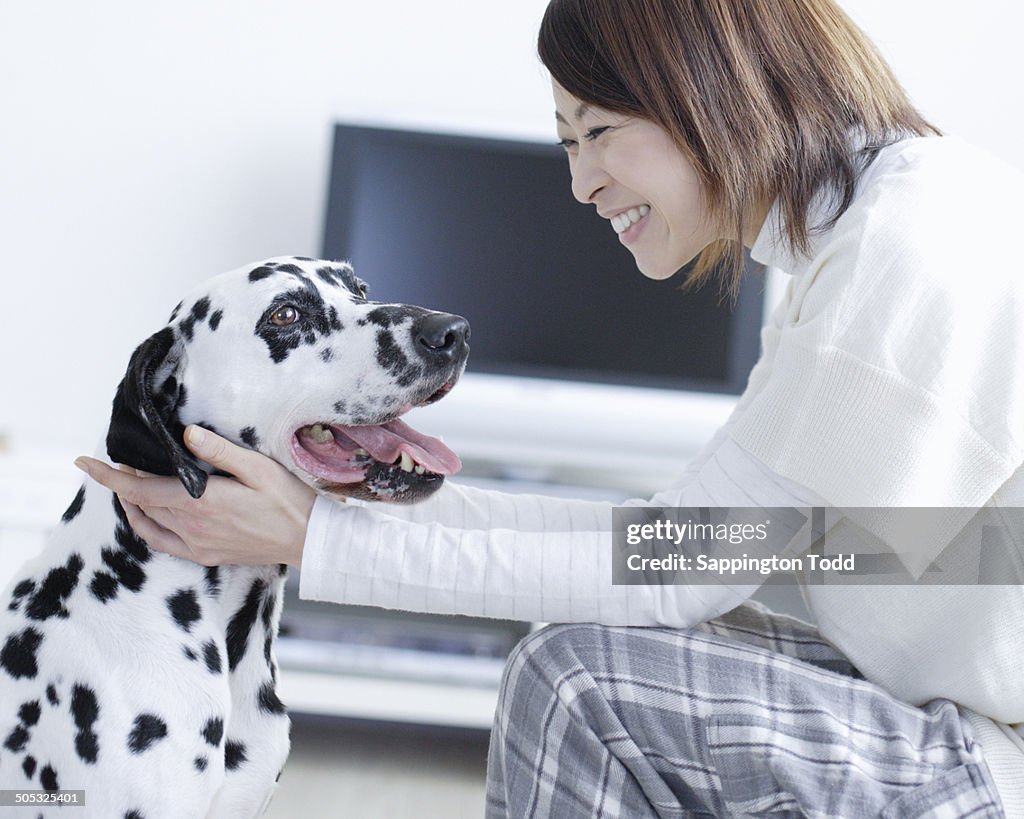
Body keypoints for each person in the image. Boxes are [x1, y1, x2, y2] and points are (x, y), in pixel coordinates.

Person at [75, 0, 1023, 815]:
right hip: (960, 714)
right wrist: (321, 521)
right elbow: (672, 547)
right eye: (568, 144)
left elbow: (671, 573)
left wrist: (316, 537)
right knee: (609, 645)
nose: (580, 182)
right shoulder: (880, 228)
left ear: (710, 85)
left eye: (599, 132)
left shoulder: (903, 252)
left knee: (574, 681)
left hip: (996, 761)